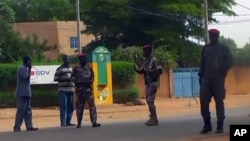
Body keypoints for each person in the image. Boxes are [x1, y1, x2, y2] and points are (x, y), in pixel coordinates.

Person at [198, 29, 233, 134]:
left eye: (214, 35)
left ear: (217, 36)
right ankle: (207, 124)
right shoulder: (206, 49)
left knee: (219, 102)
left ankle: (220, 125)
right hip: (207, 79)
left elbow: (230, 61)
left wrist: (222, 70)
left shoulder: (224, 49)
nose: (212, 37)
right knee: (203, 101)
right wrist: (201, 75)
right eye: (211, 35)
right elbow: (202, 64)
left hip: (218, 80)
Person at [134, 45, 163, 126]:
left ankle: (154, 118)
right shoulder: (146, 61)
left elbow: (160, 71)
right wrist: (137, 70)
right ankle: (152, 116)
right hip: (148, 83)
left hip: (153, 82)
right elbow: (141, 71)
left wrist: (151, 72)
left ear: (148, 51)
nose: (143, 52)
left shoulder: (154, 60)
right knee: (148, 100)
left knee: (150, 100)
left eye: (144, 51)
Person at [71, 53, 101, 128]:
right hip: (80, 91)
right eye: (84, 59)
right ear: (80, 59)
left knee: (92, 106)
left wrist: (90, 81)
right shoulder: (76, 68)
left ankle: (94, 122)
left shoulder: (89, 67)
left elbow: (93, 76)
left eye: (86, 58)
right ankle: (79, 123)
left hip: (88, 90)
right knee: (80, 107)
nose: (85, 60)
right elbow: (72, 78)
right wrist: (80, 81)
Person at [13, 56, 38, 132]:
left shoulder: (26, 69)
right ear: (26, 61)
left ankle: (29, 125)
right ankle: (17, 126)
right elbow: (26, 78)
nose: (31, 63)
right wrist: (30, 69)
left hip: (27, 93)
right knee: (21, 110)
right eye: (30, 61)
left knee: (28, 110)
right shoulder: (21, 68)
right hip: (21, 93)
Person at [54, 55, 75, 127]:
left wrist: (72, 79)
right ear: (64, 60)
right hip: (63, 90)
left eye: (69, 59)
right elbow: (56, 78)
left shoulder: (72, 69)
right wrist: (65, 78)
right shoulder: (60, 69)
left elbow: (75, 77)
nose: (68, 61)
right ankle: (63, 122)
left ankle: (68, 121)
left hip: (71, 89)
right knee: (64, 106)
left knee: (71, 106)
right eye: (66, 60)